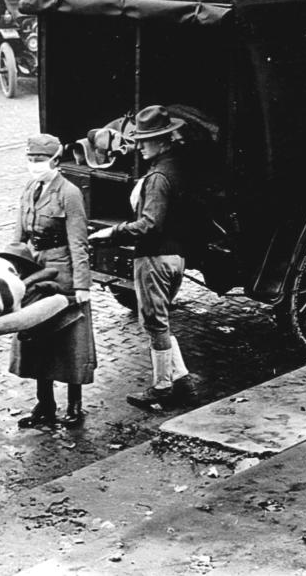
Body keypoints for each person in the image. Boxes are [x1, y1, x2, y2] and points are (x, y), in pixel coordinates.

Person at [89, 105, 195, 410]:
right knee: (160, 322)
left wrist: (111, 234)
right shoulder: (177, 166)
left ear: (162, 141)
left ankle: (162, 388)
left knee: (154, 324)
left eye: (145, 140)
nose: (139, 145)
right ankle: (183, 381)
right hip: (176, 257)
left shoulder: (159, 177)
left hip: (154, 259)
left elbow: (150, 224)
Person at [11, 133, 95, 429]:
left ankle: (74, 404)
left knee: (69, 340)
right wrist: (11, 266)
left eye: (40, 160)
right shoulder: (30, 187)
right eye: (31, 159)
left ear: (56, 161)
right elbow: (19, 233)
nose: (34, 165)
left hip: (62, 273)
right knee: (36, 337)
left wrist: (82, 285)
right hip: (34, 271)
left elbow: (79, 242)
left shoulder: (69, 193)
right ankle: (44, 404)